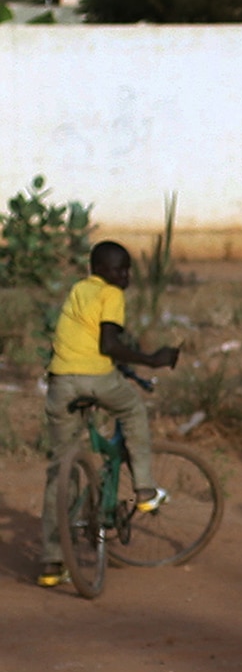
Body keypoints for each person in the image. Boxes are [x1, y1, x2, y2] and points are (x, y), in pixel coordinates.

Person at [39, 241, 179, 587]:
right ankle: (145, 490)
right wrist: (152, 359)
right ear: (102, 270)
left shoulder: (78, 289)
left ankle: (51, 563)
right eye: (120, 269)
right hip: (97, 379)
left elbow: (79, 336)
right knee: (132, 410)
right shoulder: (111, 294)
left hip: (60, 382)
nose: (125, 276)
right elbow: (107, 345)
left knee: (60, 471)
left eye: (127, 269)